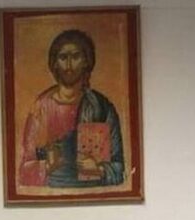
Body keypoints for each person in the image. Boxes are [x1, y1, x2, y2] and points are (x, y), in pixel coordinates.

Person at [18, 29, 125, 188]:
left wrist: (100, 170)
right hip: (52, 192)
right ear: (54, 63)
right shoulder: (41, 108)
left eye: (75, 57)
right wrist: (46, 166)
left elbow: (119, 169)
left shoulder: (101, 107)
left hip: (93, 193)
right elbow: (23, 172)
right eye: (63, 57)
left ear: (86, 61)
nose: (69, 65)